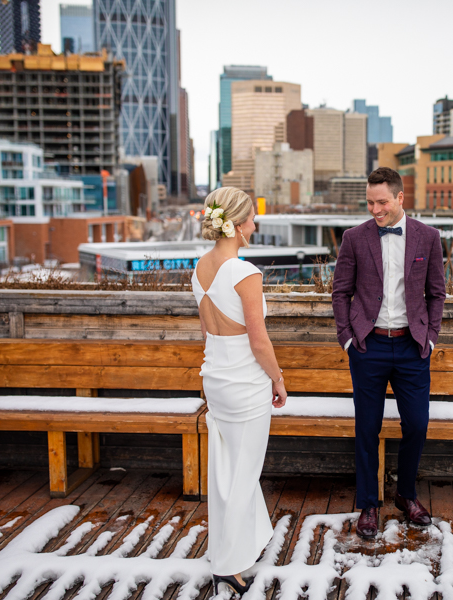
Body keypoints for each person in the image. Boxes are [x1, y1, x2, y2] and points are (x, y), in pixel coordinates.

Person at [331, 167, 446, 539]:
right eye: (370, 202)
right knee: (367, 428)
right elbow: (340, 292)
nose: (375, 210)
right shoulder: (354, 237)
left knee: (417, 425)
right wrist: (348, 338)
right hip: (369, 345)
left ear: (400, 198)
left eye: (382, 202)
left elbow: (436, 293)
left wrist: (429, 338)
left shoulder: (428, 238)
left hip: (413, 347)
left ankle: (407, 495)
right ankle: (368, 504)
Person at [190, 187, 287, 596]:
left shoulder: (199, 267)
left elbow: (206, 330)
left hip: (215, 375)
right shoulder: (244, 272)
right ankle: (228, 566)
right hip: (245, 382)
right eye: (251, 218)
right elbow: (259, 341)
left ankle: (245, 540)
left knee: (226, 468)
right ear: (237, 223)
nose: (255, 225)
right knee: (242, 474)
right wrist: (278, 380)